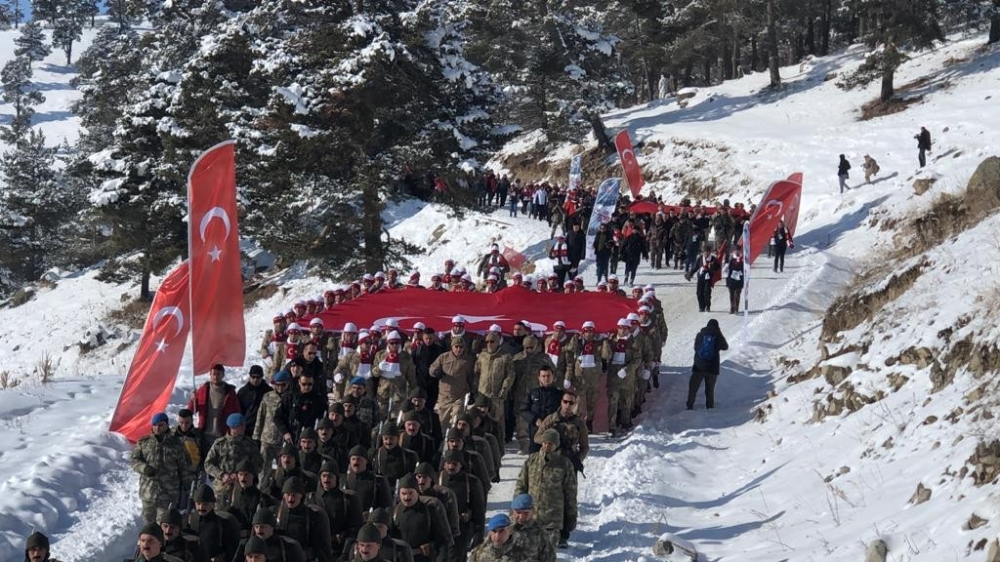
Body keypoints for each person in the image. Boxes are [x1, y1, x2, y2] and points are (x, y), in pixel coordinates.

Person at [513, 430, 577, 549]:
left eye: (550, 443)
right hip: (531, 516)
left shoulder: (564, 464)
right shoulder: (531, 461)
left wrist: (571, 517)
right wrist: (516, 509)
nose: (547, 446)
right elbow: (521, 485)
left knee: (547, 551)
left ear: (556, 445)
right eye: (545, 443)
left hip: (553, 519)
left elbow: (570, 493)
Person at [132, 412, 196, 523]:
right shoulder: (143, 442)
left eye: (161, 425)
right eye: (155, 425)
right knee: (149, 524)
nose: (157, 428)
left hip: (169, 493)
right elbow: (134, 460)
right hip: (148, 492)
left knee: (165, 523)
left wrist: (189, 487)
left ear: (166, 425)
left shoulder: (177, 444)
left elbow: (185, 467)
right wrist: (144, 468)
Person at [187, 363, 242, 447]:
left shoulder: (230, 392)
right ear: (210, 374)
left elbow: (237, 412)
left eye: (218, 374)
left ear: (223, 375)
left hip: (223, 435)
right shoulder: (202, 391)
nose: (216, 377)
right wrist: (192, 400)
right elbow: (191, 411)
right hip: (205, 434)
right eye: (214, 374)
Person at [686, 319, 729, 410]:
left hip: (699, 367)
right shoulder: (718, 336)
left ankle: (690, 405)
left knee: (693, 388)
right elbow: (725, 347)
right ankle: (709, 407)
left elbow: (696, 347)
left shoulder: (700, 334)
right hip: (712, 368)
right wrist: (719, 333)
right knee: (710, 390)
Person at [509, 494, 555, 562]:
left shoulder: (540, 533)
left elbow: (549, 558)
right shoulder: (503, 529)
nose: (521, 517)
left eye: (526, 513)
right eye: (518, 512)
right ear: (512, 511)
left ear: (532, 511)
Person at [239, 365, 272, 438]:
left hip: (264, 428)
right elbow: (238, 410)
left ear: (262, 377)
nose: (255, 379)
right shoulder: (243, 392)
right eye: (253, 377)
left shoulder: (268, 392)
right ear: (249, 376)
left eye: (258, 377)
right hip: (247, 428)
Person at [722, 248, 746, 314]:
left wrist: (742, 273)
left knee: (737, 294)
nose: (737, 252)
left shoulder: (743, 260)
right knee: (731, 295)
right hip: (731, 280)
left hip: (739, 280)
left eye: (738, 251)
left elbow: (746, 269)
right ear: (734, 251)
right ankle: (732, 308)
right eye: (736, 251)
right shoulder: (730, 259)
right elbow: (725, 269)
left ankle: (736, 309)